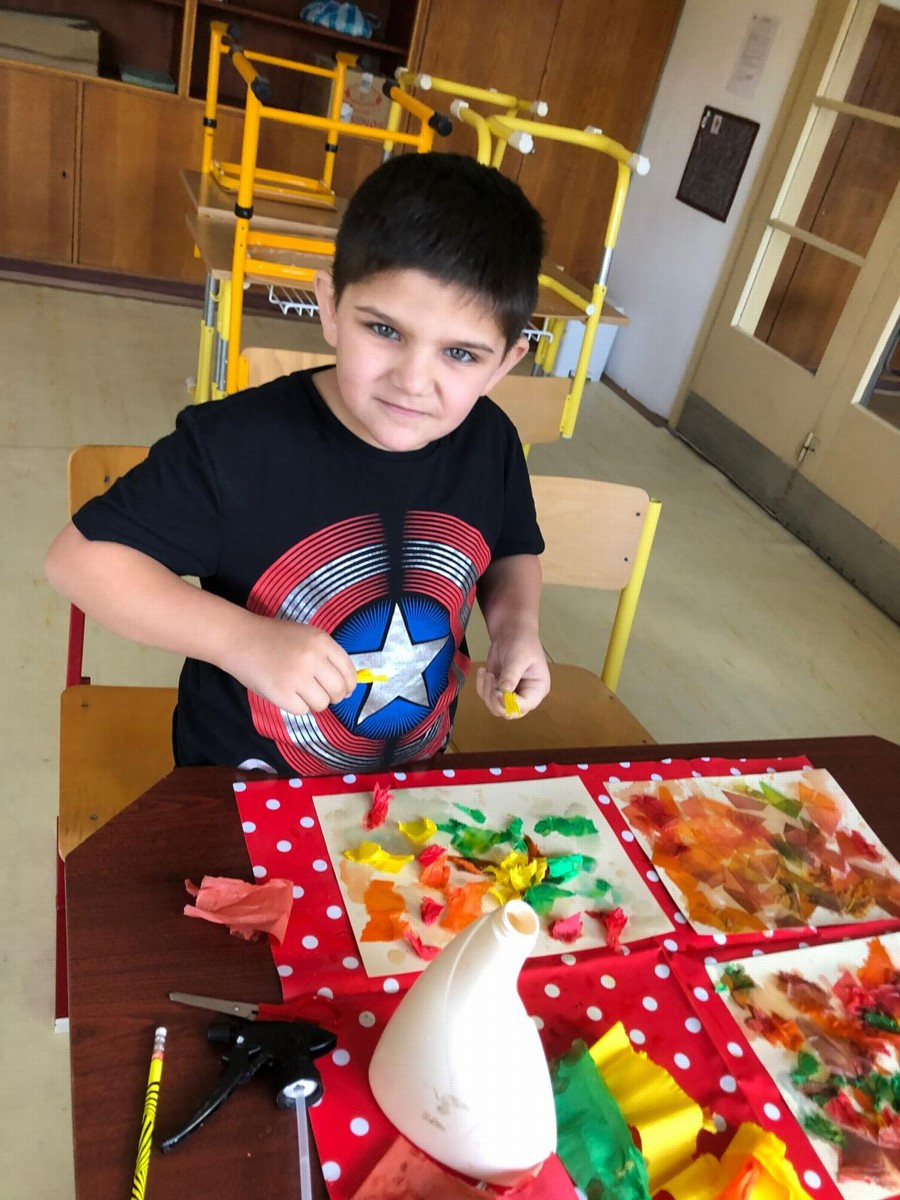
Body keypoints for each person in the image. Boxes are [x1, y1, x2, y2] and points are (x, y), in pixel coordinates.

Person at [44, 152, 550, 776]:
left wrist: (515, 627)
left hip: (412, 777)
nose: (414, 380)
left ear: (505, 363)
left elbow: (510, 548)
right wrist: (245, 641)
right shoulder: (237, 447)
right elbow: (80, 562)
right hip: (244, 787)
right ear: (330, 306)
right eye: (385, 330)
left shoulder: (490, 440)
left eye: (461, 355)